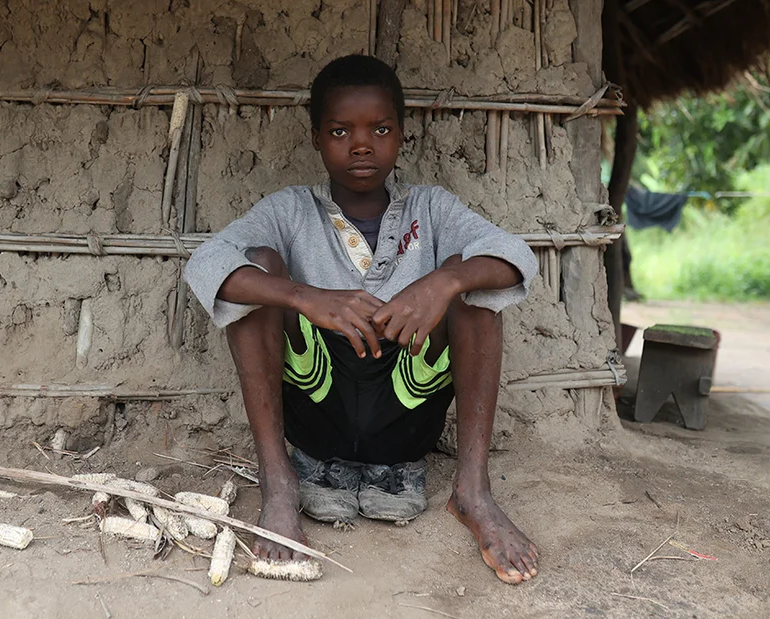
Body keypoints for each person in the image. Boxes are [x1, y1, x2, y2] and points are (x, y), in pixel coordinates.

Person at [183, 54, 540, 584]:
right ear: (316, 138)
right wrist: (304, 296)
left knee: (476, 286)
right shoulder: (291, 210)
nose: (360, 144)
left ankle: (472, 493)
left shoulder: (430, 209)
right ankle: (280, 487)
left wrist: (445, 282)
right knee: (255, 270)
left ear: (401, 135)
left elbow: (516, 257)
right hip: (317, 400)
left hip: (405, 404)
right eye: (339, 130)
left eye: (379, 129)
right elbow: (207, 262)